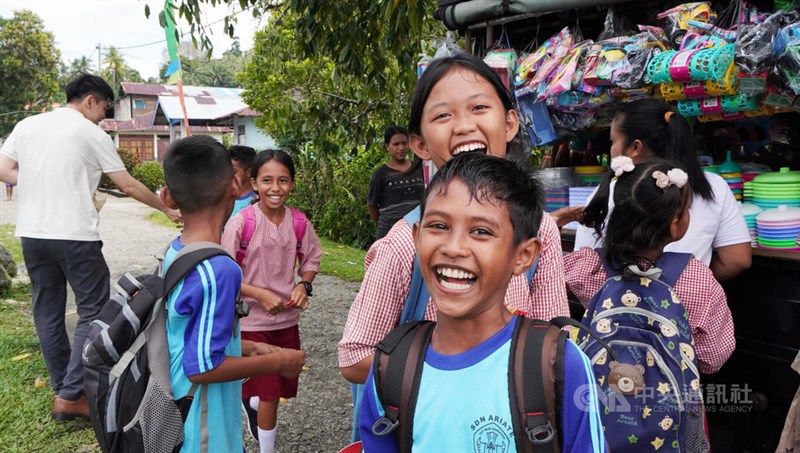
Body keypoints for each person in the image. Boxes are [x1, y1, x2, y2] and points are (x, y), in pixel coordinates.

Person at [338, 54, 569, 385]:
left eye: (479, 108)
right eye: (443, 115)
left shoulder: (540, 229)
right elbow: (355, 356)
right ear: (419, 143)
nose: (463, 126)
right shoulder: (405, 244)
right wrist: (454, 376)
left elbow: (551, 334)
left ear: (509, 124)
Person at [358, 153, 606, 452]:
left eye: (481, 231)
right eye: (438, 226)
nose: (454, 248)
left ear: (524, 256)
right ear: (417, 236)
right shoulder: (391, 365)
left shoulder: (561, 366)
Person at [0, 74, 181, 421]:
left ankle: (65, 390)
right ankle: (71, 395)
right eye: (103, 109)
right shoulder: (90, 132)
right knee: (93, 310)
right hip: (75, 236)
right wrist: (166, 209)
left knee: (47, 312)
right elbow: (126, 184)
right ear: (90, 101)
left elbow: (3, 169)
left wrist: (42, 179)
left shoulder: (27, 125)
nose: (102, 116)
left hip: (33, 236)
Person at [160, 136, 306, 452]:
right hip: (203, 424)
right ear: (237, 187)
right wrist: (278, 362)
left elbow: (189, 333)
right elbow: (202, 368)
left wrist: (249, 347)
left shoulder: (176, 252)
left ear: (168, 198)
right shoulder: (220, 269)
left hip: (176, 408)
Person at [567, 157, 735, 373]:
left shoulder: (588, 266)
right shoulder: (697, 279)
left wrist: (556, 221)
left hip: (600, 396)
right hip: (668, 402)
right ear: (675, 225)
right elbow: (713, 358)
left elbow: (539, 271)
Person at [573, 98, 751, 281]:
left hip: (615, 305)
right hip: (686, 306)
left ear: (635, 147)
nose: (611, 148)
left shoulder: (609, 191)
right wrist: (696, 287)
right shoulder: (713, 186)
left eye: (613, 141)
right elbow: (737, 259)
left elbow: (585, 265)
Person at [221, 149, 322, 453]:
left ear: (292, 183)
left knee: (283, 387)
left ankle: (249, 398)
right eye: (267, 180)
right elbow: (225, 270)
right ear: (253, 183)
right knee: (269, 395)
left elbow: (312, 258)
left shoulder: (299, 222)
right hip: (251, 322)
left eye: (283, 180)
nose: (275, 188)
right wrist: (260, 294)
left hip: (287, 320)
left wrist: (304, 285)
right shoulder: (241, 222)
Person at [367, 126, 425, 239]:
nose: (401, 148)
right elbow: (372, 205)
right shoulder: (380, 174)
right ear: (387, 147)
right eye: (396, 144)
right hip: (389, 232)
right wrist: (387, 222)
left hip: (418, 230)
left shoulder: (419, 168)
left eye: (404, 143)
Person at [228, 144, 257, 221]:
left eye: (233, 171)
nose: (228, 174)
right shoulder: (224, 198)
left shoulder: (257, 201)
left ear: (249, 172)